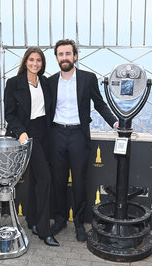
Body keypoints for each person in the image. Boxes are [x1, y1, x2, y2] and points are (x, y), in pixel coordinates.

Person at [48, 39, 118, 242]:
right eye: (60, 54)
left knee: (79, 182)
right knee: (58, 181)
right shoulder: (50, 81)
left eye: (68, 54)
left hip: (79, 135)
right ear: (57, 58)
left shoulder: (88, 78)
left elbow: (99, 104)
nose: (64, 57)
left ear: (75, 56)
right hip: (56, 135)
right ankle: (60, 220)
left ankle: (79, 223)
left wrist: (115, 123)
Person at [4, 47, 59, 247]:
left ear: (42, 63)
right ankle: (44, 231)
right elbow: (9, 114)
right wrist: (21, 132)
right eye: (31, 59)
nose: (35, 63)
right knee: (45, 179)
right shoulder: (13, 83)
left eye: (39, 60)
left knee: (37, 178)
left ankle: (32, 221)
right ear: (25, 61)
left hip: (45, 132)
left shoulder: (45, 82)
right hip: (27, 135)